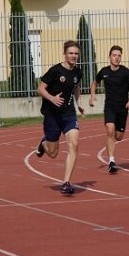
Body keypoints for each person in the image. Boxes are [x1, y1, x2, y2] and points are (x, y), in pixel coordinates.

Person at [33, 40, 85, 195]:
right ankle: (44, 144)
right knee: (53, 154)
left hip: (68, 114)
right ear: (65, 54)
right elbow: (40, 89)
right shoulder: (55, 71)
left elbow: (75, 87)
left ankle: (66, 183)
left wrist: (78, 103)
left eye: (76, 53)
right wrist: (52, 98)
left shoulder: (78, 72)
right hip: (52, 115)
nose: (74, 56)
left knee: (74, 144)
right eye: (71, 53)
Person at [88, 45, 129, 174]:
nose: (116, 58)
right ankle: (111, 161)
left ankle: (111, 142)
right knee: (110, 131)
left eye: (119, 56)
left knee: (118, 137)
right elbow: (95, 82)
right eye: (114, 55)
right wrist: (92, 96)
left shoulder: (125, 72)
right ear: (109, 57)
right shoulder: (104, 71)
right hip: (110, 107)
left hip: (122, 109)